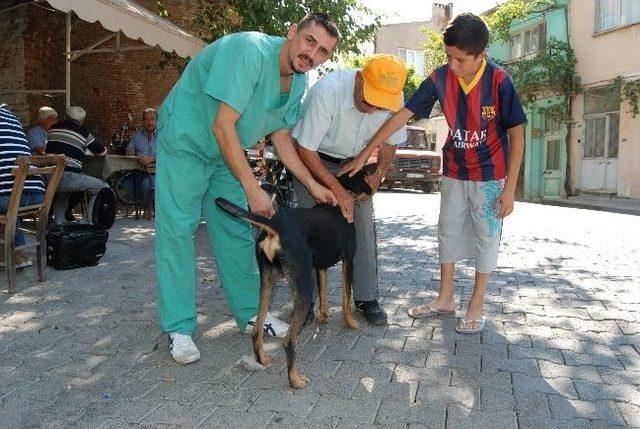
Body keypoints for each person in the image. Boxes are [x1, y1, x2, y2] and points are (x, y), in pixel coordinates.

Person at [156, 13, 341, 365]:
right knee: (178, 230)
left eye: (323, 52)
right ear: (292, 33)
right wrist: (254, 188)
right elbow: (222, 126)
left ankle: (250, 314)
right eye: (309, 42)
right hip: (187, 140)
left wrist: (313, 185)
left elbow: (282, 137)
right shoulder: (250, 51)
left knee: (236, 232)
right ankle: (179, 328)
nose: (312, 54)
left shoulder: (299, 83)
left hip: (226, 151)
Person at [339, 13, 527, 334]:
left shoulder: (499, 81)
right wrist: (364, 151)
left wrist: (510, 189)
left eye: (460, 60)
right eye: (448, 57)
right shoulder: (440, 78)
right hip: (454, 171)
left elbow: (518, 135)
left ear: (480, 55)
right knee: (447, 232)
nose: (453, 66)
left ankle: (476, 303)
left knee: (487, 236)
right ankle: (446, 298)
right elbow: (402, 115)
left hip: (491, 177)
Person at [292, 55, 408, 326]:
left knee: (363, 226)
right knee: (308, 229)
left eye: (379, 104)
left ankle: (367, 298)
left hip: (353, 163)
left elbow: (390, 144)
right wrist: (336, 190)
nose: (371, 108)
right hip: (313, 159)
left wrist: (376, 178)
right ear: (359, 78)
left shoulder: (394, 98)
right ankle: (305, 301)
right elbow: (305, 149)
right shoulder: (328, 90)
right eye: (367, 99)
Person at [0, 104, 46, 269]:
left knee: (4, 202)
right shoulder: (13, 119)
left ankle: (16, 254)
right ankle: (17, 255)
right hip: (37, 195)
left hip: (10, 198)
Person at [46, 106, 109, 225]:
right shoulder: (83, 132)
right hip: (68, 176)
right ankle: (87, 222)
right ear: (82, 121)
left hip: (49, 177)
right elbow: (102, 151)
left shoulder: (52, 128)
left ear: (65, 117)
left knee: (64, 193)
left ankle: (59, 222)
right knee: (102, 187)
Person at [125, 108, 157, 212]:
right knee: (125, 183)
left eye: (152, 119)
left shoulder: (162, 136)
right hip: (140, 169)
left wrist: (152, 159)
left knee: (146, 184)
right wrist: (137, 156)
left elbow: (168, 154)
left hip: (158, 171)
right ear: (143, 121)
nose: (149, 122)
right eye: (147, 119)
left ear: (157, 121)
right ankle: (146, 205)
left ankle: (147, 207)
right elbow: (129, 150)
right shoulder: (137, 134)